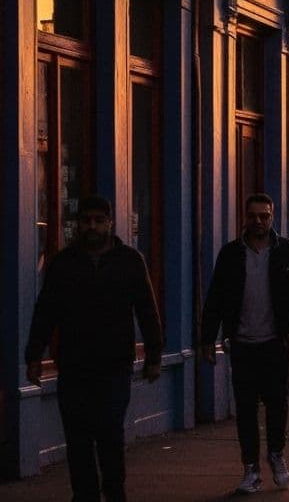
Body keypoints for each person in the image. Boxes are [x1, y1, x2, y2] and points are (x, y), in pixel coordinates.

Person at [25, 195, 163, 502]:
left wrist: (154, 355)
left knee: (110, 434)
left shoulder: (129, 260)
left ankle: (114, 492)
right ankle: (84, 494)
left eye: (98, 220)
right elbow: (46, 310)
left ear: (109, 223)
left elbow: (147, 309)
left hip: (114, 365)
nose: (92, 226)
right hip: (74, 365)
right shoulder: (64, 263)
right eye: (86, 220)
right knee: (78, 438)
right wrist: (34, 355)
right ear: (78, 224)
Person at [200, 193, 289, 494]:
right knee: (246, 409)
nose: (258, 221)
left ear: (272, 217)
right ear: (245, 218)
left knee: (277, 405)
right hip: (243, 344)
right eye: (253, 216)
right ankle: (250, 468)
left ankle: (276, 454)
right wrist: (207, 337)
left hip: (275, 342)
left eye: (264, 216)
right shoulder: (231, 254)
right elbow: (216, 298)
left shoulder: (287, 252)